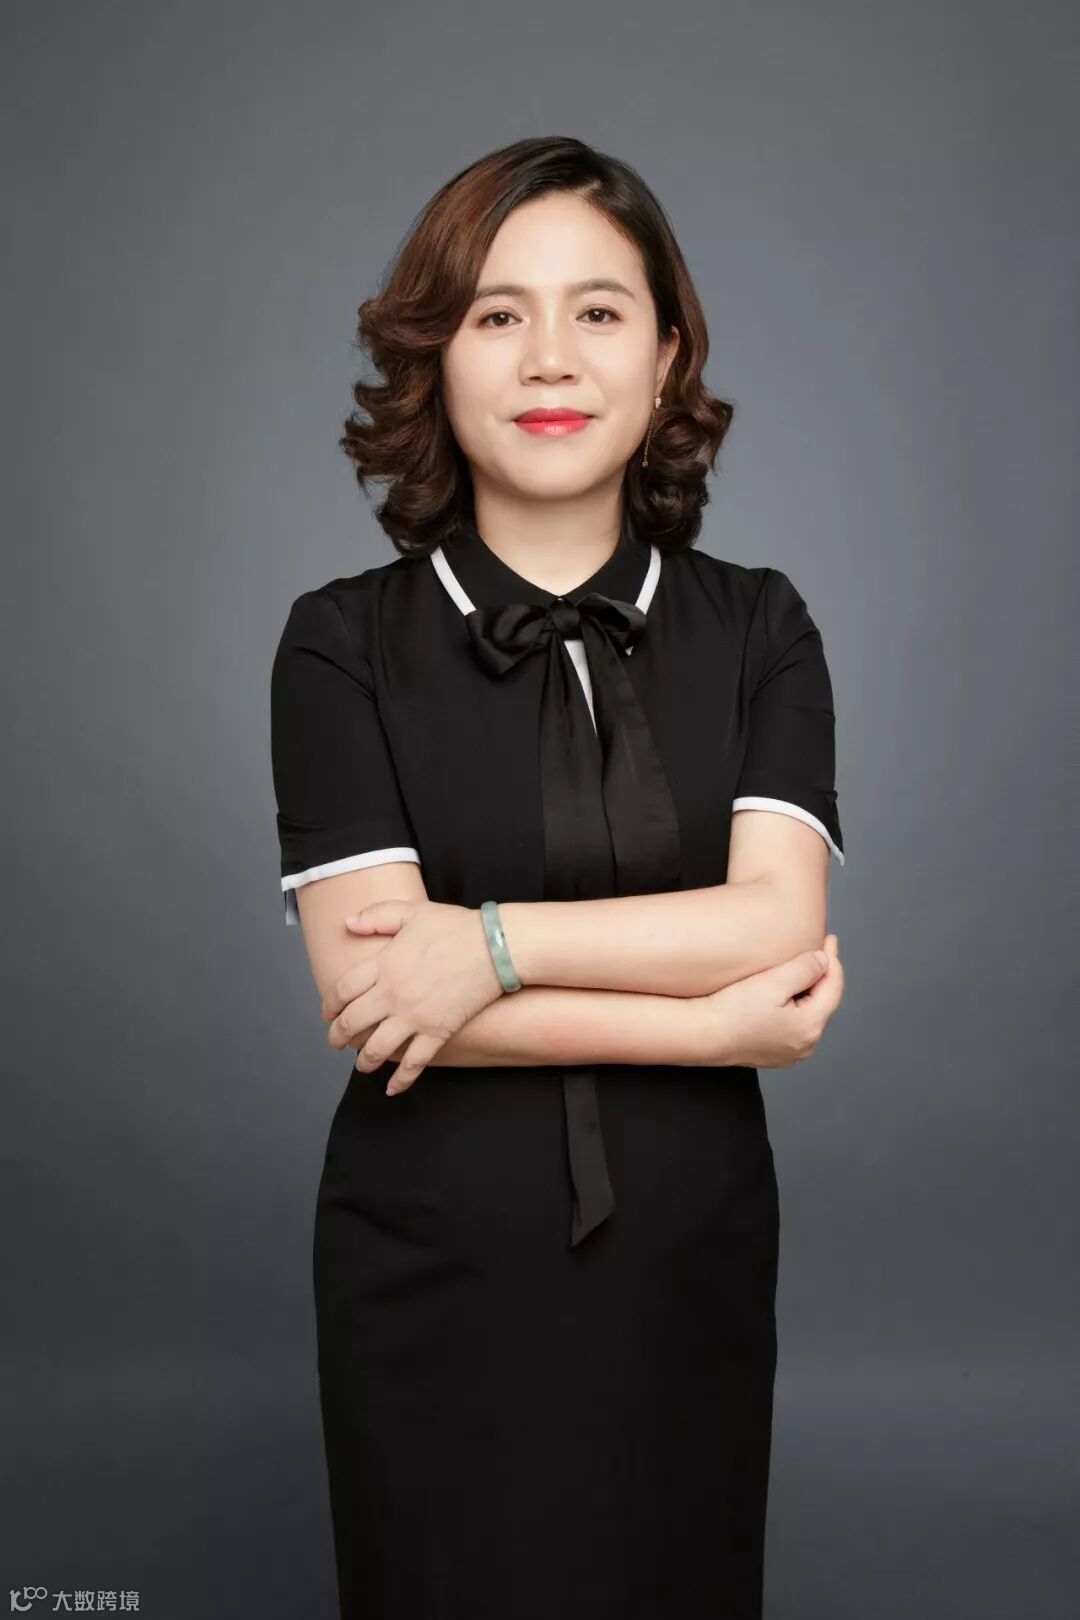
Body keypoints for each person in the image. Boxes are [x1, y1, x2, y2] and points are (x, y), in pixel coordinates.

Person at [270, 135, 847, 1620]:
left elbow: (777, 921)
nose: (550, 357)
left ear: (666, 358)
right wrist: (713, 1027)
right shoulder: (339, 641)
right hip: (430, 1256)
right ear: (435, 356)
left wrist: (488, 946)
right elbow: (375, 999)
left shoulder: (762, 626)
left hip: (689, 1250)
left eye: (598, 311)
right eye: (496, 313)